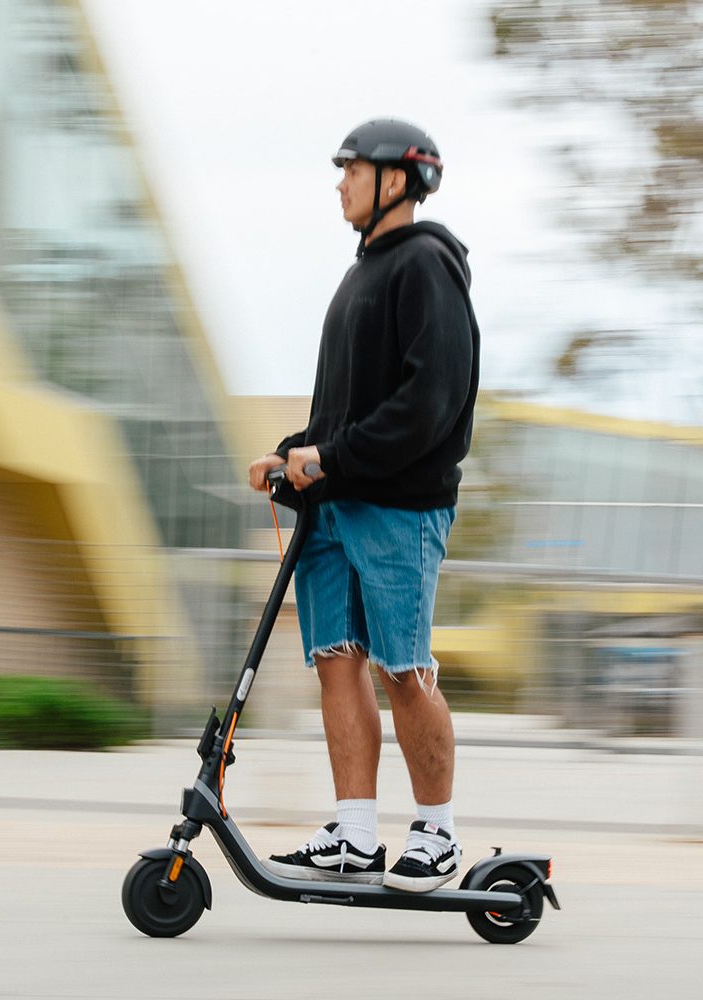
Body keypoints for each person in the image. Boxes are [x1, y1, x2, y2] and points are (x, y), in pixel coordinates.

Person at [247, 118, 480, 893]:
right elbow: (342, 412)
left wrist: (335, 457)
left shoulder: (426, 265)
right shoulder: (361, 274)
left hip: (398, 509)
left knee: (402, 668)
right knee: (335, 662)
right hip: (336, 504)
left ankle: (437, 834)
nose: (341, 181)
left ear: (398, 180)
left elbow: (429, 403)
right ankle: (353, 833)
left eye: (354, 168)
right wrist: (292, 453)